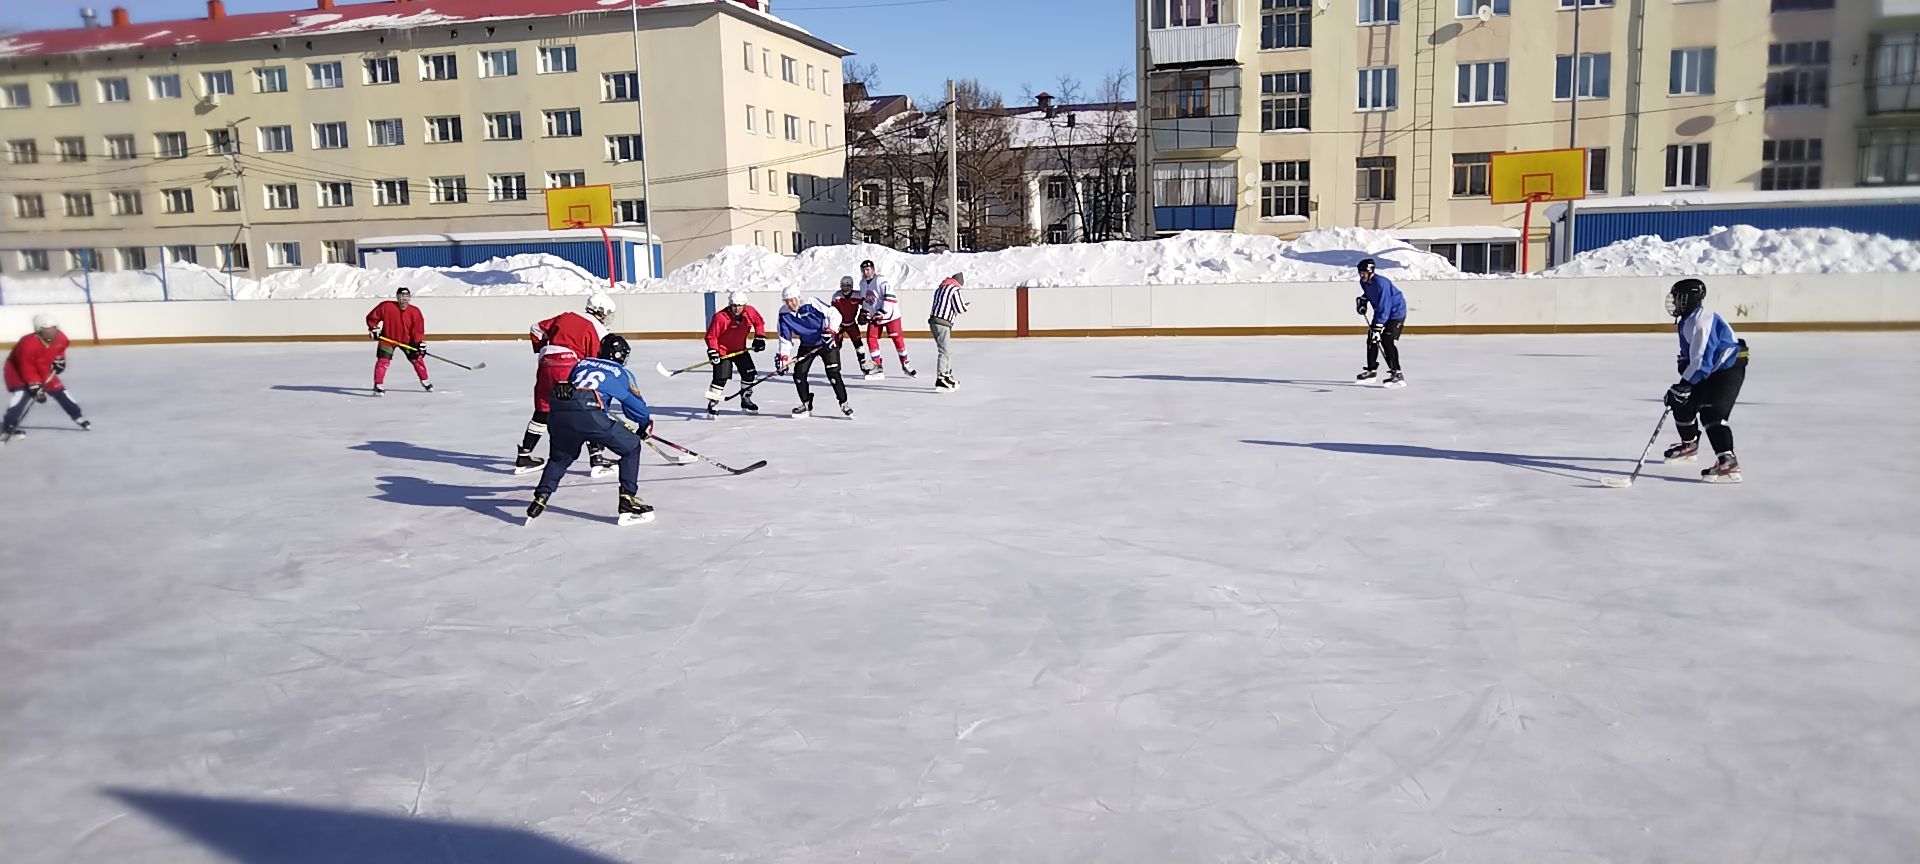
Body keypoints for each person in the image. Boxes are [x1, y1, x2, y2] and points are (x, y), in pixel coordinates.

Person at [527, 334, 657, 526]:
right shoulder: (620, 371)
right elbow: (633, 403)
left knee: (560, 457)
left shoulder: (582, 363)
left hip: (560, 411)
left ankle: (541, 497)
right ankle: (628, 501)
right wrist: (644, 424)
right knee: (631, 448)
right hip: (589, 414)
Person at [516, 292, 615, 475]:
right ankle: (597, 458)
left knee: (543, 409)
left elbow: (536, 328)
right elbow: (594, 360)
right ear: (601, 312)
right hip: (569, 366)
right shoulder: (598, 329)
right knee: (588, 409)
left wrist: (545, 349)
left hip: (546, 364)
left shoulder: (566, 316)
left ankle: (524, 455)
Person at [1661, 278, 1749, 483]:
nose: (1674, 302)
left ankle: (1727, 460)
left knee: (1712, 413)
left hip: (1728, 370)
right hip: (1710, 370)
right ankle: (1689, 445)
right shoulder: (1688, 319)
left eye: (1678, 297)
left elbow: (1702, 362)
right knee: (1681, 402)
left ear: (1689, 298)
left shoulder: (1702, 321)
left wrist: (1686, 383)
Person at [3, 313, 88, 439]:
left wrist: (59, 361)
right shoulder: (27, 344)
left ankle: (77, 415)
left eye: (54, 328)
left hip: (44, 367)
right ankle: (8, 425)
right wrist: (35, 386)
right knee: (22, 394)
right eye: (47, 330)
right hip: (17, 370)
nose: (52, 332)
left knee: (59, 391)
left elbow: (59, 351)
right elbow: (27, 367)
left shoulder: (62, 339)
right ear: (38, 330)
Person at [775, 285, 852, 418]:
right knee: (799, 374)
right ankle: (806, 404)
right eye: (787, 301)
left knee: (833, 373)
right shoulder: (784, 314)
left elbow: (834, 314)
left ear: (799, 298)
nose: (791, 304)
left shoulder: (811, 303)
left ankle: (844, 403)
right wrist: (783, 358)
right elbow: (785, 338)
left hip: (826, 342)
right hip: (807, 344)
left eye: (793, 300)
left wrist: (831, 331)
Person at [703, 290, 766, 417]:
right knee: (721, 377)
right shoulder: (720, 317)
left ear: (744, 305)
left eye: (740, 306)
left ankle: (745, 399)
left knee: (749, 375)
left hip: (740, 350)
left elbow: (759, 322)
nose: (737, 309)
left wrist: (759, 337)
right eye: (734, 305)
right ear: (730, 305)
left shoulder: (750, 311)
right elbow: (711, 336)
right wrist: (713, 351)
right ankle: (713, 403)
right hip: (723, 351)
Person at [364, 287, 430, 395]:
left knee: (417, 359)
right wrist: (373, 328)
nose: (404, 300)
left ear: (409, 298)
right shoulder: (386, 306)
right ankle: (378, 384)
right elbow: (372, 318)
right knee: (383, 361)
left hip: (407, 341)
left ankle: (425, 380)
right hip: (388, 339)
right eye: (401, 297)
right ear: (397, 297)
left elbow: (418, 329)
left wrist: (418, 343)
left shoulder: (415, 311)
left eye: (406, 297)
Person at [858, 259, 915, 379]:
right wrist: (864, 312)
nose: (866, 272)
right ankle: (878, 367)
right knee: (871, 339)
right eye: (863, 270)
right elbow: (865, 301)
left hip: (890, 315)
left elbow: (890, 297)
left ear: (873, 270)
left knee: (897, 339)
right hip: (875, 317)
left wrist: (882, 311)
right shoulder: (862, 284)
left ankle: (905, 363)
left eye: (868, 269)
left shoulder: (881, 280)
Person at [1354, 258, 1407, 387]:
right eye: (1360, 273)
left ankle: (1397, 372)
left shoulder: (1381, 283)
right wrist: (1363, 300)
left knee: (1386, 340)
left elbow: (1385, 306)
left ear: (1371, 272)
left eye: (1364, 273)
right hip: (1382, 313)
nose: (1362, 276)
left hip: (1395, 313)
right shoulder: (1364, 282)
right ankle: (1371, 371)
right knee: (1372, 339)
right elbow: (1369, 294)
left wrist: (1378, 327)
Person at [928, 272, 968, 391]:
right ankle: (941, 377)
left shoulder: (940, 288)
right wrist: (966, 306)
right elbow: (959, 308)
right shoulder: (955, 289)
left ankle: (947, 374)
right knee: (944, 351)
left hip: (933, 321)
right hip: (943, 322)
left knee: (946, 350)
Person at [830, 276, 874, 375]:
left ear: (852, 286)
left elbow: (867, 303)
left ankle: (863, 364)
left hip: (851, 324)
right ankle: (835, 365)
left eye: (848, 286)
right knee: (836, 346)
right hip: (840, 325)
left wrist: (863, 313)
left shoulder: (857, 295)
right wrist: (834, 326)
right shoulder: (836, 297)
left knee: (859, 345)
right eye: (844, 286)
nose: (846, 288)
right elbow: (832, 313)